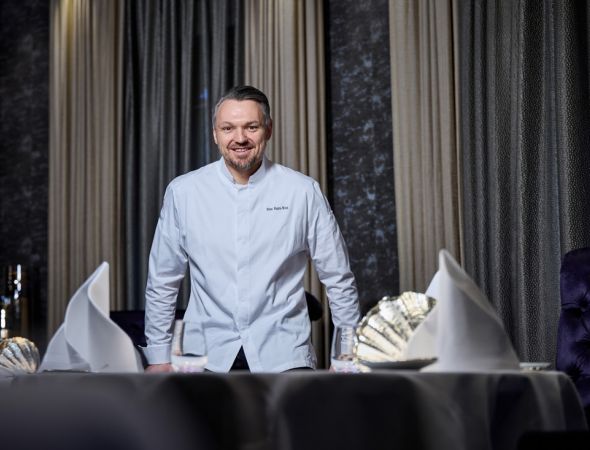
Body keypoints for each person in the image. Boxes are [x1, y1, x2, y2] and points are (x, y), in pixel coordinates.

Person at [143, 85, 359, 372]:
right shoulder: (183, 192)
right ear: (215, 134)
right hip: (204, 355)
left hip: (284, 356)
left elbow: (338, 277)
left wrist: (346, 355)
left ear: (268, 130)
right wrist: (159, 356)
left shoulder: (303, 192)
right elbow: (163, 280)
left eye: (251, 127)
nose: (240, 138)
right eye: (228, 128)